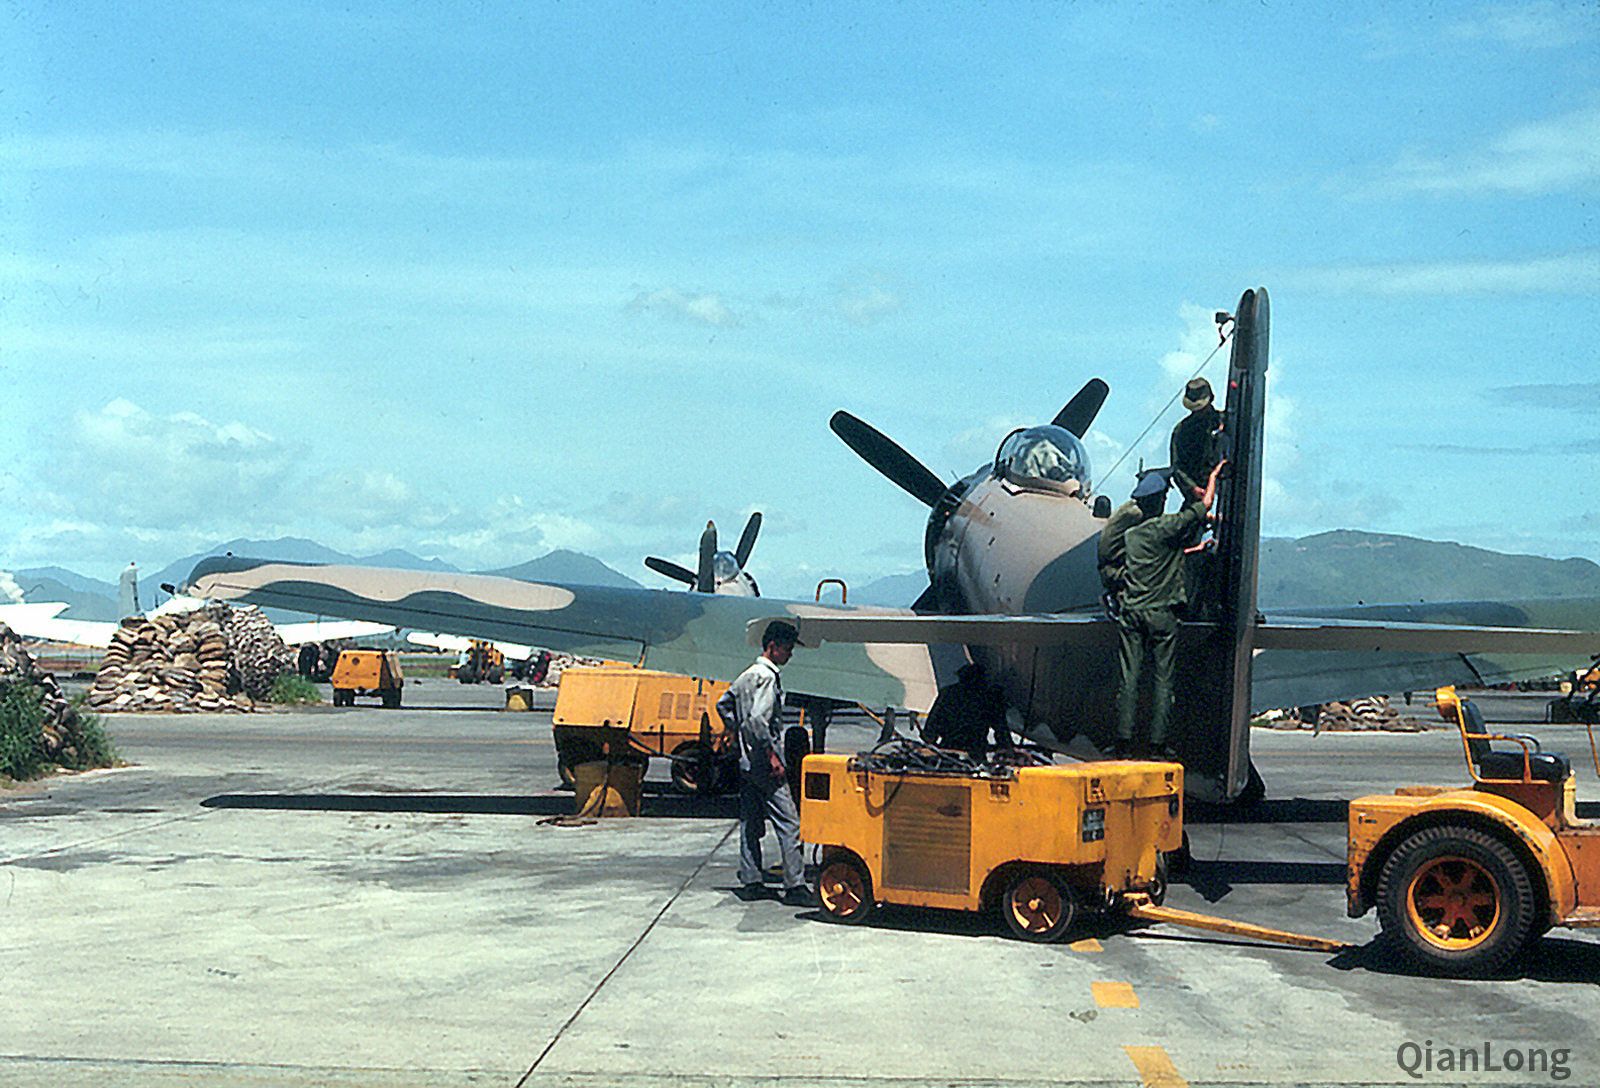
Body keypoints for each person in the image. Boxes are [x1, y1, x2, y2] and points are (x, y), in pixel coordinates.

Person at [1112, 459, 1225, 759]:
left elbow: (1163, 553)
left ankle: (1122, 743)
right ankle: (1157, 745)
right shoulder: (1168, 527)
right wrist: (1213, 475)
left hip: (1132, 612)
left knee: (1129, 679)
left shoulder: (1132, 536)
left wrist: (1195, 550)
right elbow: (1205, 503)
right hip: (1161, 615)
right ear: (1161, 501)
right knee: (1163, 680)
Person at [717, 619, 810, 905]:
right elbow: (759, 719)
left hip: (746, 761)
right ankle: (795, 886)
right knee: (790, 823)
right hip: (764, 762)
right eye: (787, 648)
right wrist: (770, 754)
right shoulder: (768, 677)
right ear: (773, 647)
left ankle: (752, 881)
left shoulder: (747, 675)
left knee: (750, 823)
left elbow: (724, 704)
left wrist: (738, 730)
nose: (790, 654)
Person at [1098, 468, 1168, 610]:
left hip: (1115, 566)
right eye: (1163, 497)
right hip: (1115, 570)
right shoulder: (1136, 515)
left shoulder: (1132, 509)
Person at [923, 662, 1012, 760]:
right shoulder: (989, 698)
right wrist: (1006, 748)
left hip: (948, 753)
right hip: (975, 753)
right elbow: (1002, 732)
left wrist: (931, 743)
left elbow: (929, 731)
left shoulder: (948, 694)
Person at [1169, 377, 1222, 500]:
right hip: (1198, 493)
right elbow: (1177, 468)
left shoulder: (1227, 422)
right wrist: (1192, 488)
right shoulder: (1182, 431)